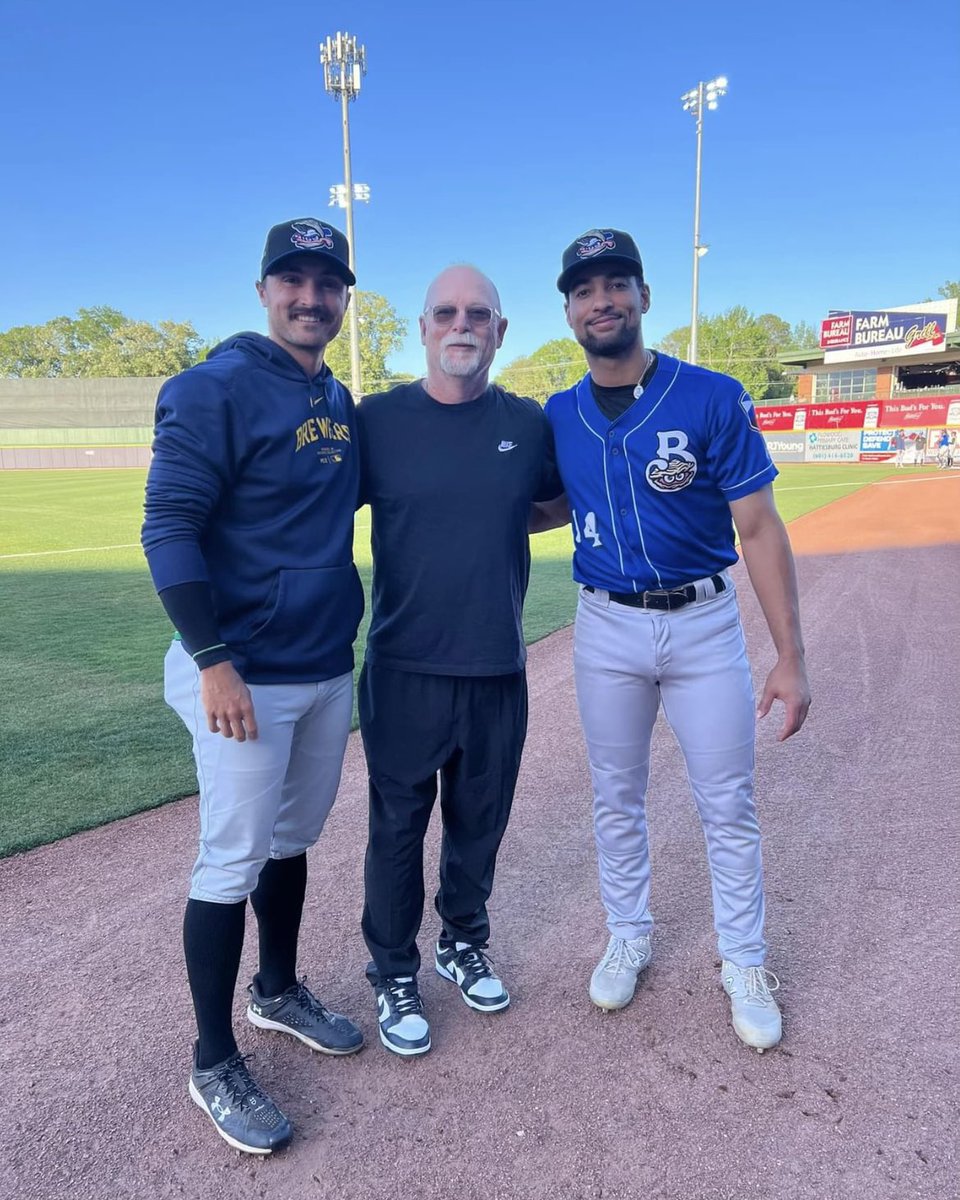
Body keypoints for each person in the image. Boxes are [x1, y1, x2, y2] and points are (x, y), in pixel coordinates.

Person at [536, 228, 811, 1051]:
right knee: (615, 797)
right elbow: (546, 506)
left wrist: (790, 657)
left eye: (617, 283)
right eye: (585, 289)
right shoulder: (558, 413)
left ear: (644, 297)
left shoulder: (712, 396)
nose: (603, 300)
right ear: (570, 311)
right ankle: (629, 932)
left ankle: (745, 959)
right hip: (606, 625)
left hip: (702, 624)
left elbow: (758, 527)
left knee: (727, 803)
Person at [141, 218, 365, 1154]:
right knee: (229, 863)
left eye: (328, 283)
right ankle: (211, 1060)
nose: (311, 298)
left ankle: (275, 992)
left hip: (322, 664)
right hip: (242, 676)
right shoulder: (212, 388)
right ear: (264, 289)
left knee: (291, 840)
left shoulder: (339, 395)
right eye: (294, 280)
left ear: (344, 296)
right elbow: (168, 528)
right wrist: (212, 659)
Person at [356, 265, 563, 1056]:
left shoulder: (529, 424)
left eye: (479, 312)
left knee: (479, 826)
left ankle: (461, 942)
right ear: (423, 327)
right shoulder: (377, 421)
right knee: (397, 831)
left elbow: (555, 501)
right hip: (404, 667)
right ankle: (392, 969)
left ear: (502, 331)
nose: (461, 324)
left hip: (495, 666)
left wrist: (494, 524)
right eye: (445, 311)